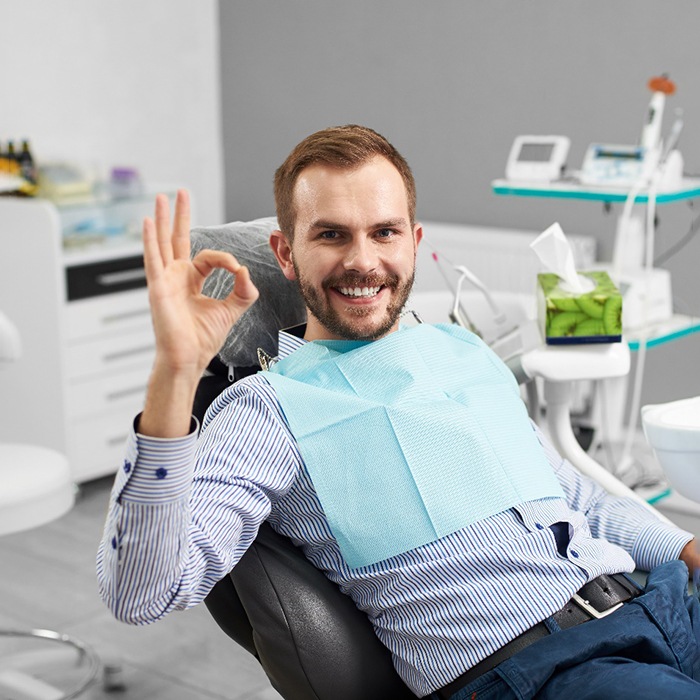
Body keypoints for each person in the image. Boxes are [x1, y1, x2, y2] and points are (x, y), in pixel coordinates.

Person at [98, 125, 700, 699]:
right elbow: (143, 593)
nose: (362, 261)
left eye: (383, 232)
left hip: (664, 601)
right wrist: (173, 374)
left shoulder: (462, 350)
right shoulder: (265, 408)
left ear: (413, 243)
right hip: (540, 670)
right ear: (286, 253)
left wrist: (686, 548)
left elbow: (578, 498)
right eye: (331, 235)